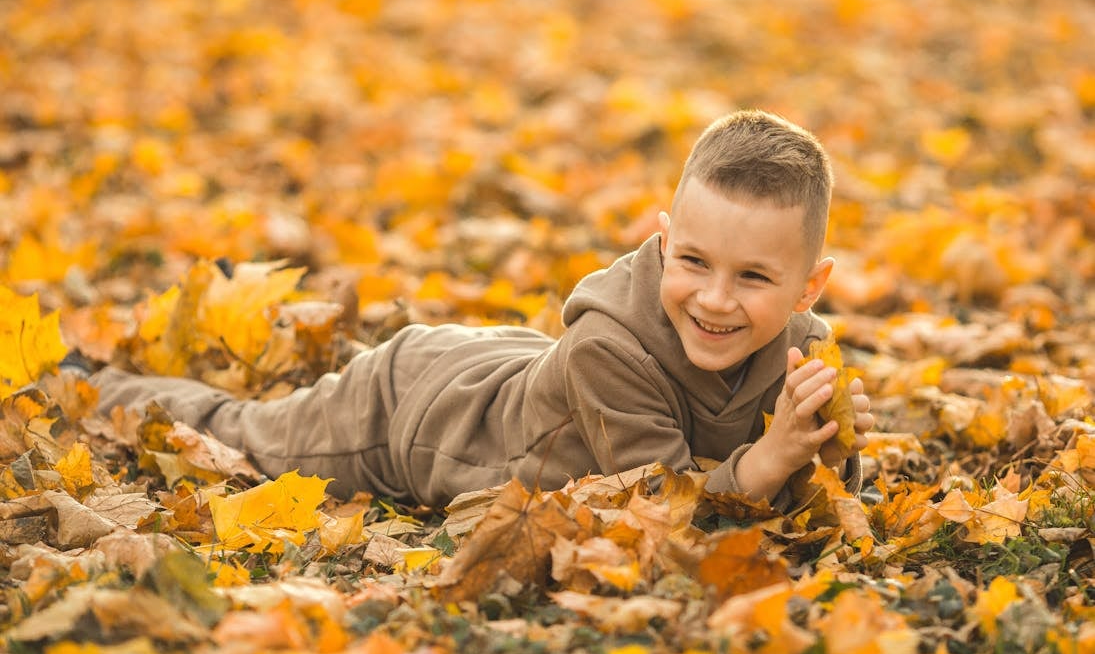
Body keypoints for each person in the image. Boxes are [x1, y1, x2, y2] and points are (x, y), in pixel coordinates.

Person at [88, 109, 873, 510]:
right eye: (694, 262)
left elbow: (813, 494)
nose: (714, 299)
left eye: (753, 279)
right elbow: (657, 510)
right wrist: (769, 459)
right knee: (235, 433)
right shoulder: (612, 349)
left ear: (808, 288)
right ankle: (91, 381)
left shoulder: (801, 348)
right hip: (418, 415)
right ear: (663, 243)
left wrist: (830, 448)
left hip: (504, 366)